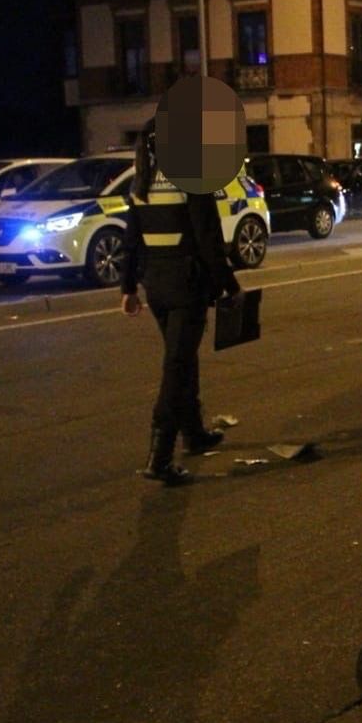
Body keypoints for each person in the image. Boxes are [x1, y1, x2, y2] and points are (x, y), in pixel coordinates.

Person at [119, 119, 242, 485]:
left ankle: (194, 433)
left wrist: (128, 289)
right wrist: (229, 285)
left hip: (156, 286)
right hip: (188, 286)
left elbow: (131, 240)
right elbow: (208, 240)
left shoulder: (139, 183)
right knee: (176, 365)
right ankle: (160, 455)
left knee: (180, 358)